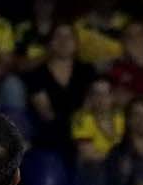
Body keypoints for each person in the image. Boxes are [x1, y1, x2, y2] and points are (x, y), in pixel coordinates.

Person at [24, 23, 95, 152]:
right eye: (58, 36)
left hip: (83, 131)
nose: (64, 41)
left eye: (69, 37)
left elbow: (90, 105)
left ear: (76, 43)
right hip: (51, 132)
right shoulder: (37, 74)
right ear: (50, 42)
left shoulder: (87, 71)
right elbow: (46, 113)